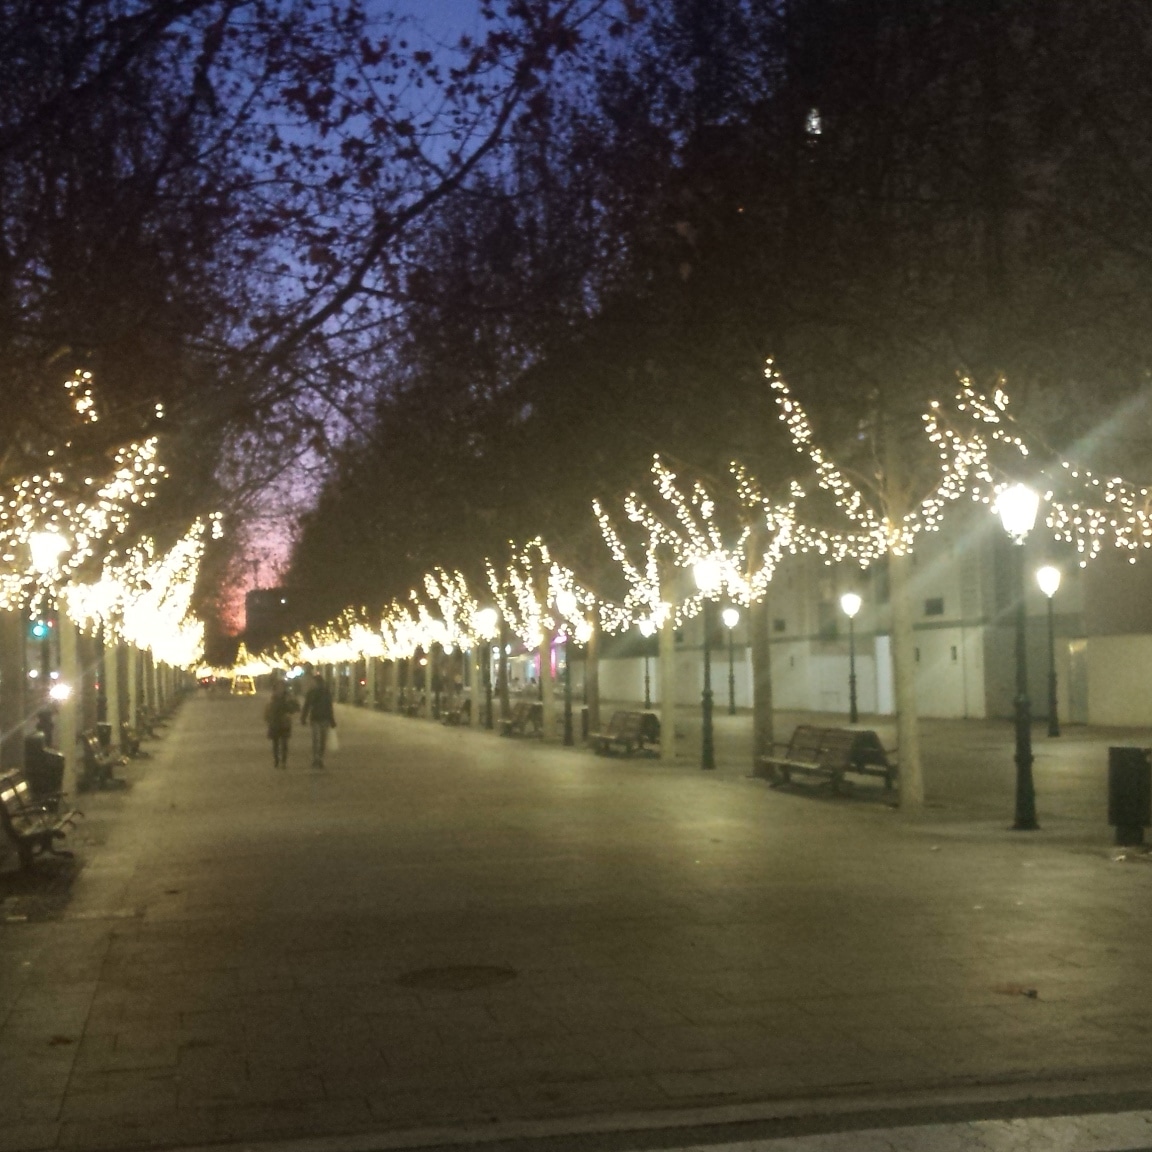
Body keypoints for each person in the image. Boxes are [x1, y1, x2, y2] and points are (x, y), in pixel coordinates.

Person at [300, 672, 336, 768]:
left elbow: (307, 706)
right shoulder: (322, 692)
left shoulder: (318, 692)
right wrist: (332, 720)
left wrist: (303, 718)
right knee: (319, 739)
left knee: (319, 739)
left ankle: (318, 758)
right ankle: (318, 758)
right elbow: (329, 707)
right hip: (319, 718)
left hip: (319, 718)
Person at [264, 678, 298, 768]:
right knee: (275, 743)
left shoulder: (288, 697)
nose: (280, 689)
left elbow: (296, 707)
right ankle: (276, 760)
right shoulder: (272, 698)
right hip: (275, 722)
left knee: (284, 743)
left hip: (284, 722)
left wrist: (290, 708)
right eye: (278, 687)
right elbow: (268, 709)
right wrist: (267, 718)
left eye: (282, 687)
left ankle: (283, 761)